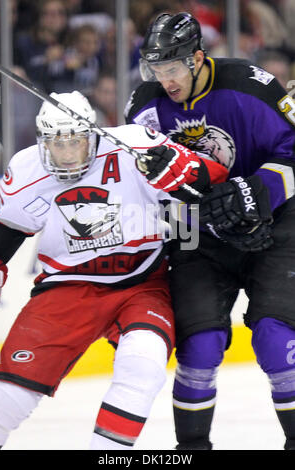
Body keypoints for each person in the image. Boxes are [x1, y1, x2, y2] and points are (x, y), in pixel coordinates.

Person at [0, 90, 227, 450]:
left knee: (144, 360)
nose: (68, 153)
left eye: (75, 141)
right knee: (7, 395)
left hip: (141, 283)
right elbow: (7, 232)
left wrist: (179, 171)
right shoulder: (27, 169)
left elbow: (208, 178)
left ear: (94, 133)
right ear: (42, 141)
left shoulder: (135, 145)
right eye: (57, 144)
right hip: (66, 287)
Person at [125, 12, 295, 450]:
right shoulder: (144, 106)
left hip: (273, 223)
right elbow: (137, 180)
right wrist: (160, 179)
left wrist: (258, 194)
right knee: (199, 345)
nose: (165, 80)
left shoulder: (250, 87)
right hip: (195, 232)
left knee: (277, 339)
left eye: (173, 68)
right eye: (156, 69)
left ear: (198, 58)